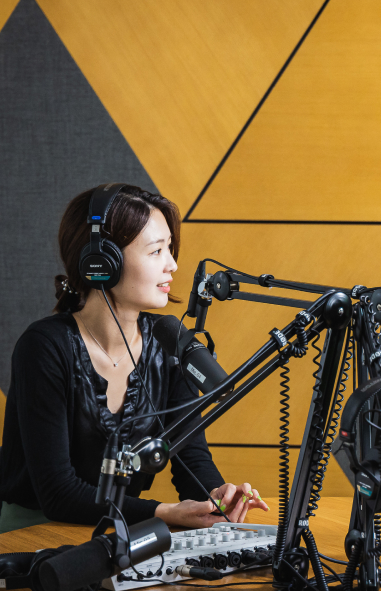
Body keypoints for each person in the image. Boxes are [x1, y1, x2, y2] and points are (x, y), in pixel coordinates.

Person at [0, 184, 268, 534]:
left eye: (169, 249)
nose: (172, 265)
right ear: (102, 263)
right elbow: (58, 493)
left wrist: (217, 498)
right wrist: (165, 511)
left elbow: (192, 460)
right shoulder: (44, 347)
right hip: (33, 532)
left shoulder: (170, 344)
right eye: (156, 251)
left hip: (121, 527)